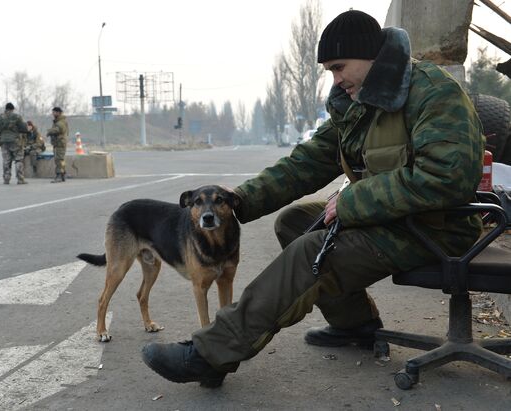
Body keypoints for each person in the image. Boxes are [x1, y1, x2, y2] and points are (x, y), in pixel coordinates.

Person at [141, 10, 484, 387]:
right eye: (330, 72)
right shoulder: (356, 103)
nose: (336, 80)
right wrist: (240, 198)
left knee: (313, 251)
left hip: (438, 228)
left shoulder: (433, 93)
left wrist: (353, 202)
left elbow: (447, 179)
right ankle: (355, 326)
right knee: (294, 221)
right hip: (396, 220)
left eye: (340, 67)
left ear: (372, 56)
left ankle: (209, 355)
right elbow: (306, 163)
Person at [0, 102, 29, 185]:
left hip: (4, 142)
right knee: (18, 159)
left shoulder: (0, 118)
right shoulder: (17, 117)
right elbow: (24, 129)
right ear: (13, 109)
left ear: (6, 109)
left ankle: (6, 179)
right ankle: (20, 179)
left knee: (6, 160)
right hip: (15, 141)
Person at [47, 106, 69, 183]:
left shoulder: (61, 122)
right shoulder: (58, 121)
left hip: (60, 143)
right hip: (58, 143)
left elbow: (58, 129)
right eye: (53, 112)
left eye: (54, 112)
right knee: (60, 159)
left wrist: (49, 131)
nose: (53, 114)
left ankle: (59, 175)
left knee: (59, 160)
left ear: (58, 113)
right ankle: (63, 174)